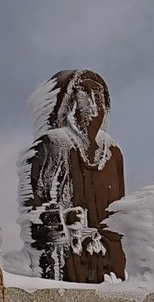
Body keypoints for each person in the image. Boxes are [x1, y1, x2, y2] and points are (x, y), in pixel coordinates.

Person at [23, 69, 127, 282]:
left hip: (107, 259)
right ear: (68, 102)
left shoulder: (113, 151)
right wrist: (64, 219)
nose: (93, 104)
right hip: (68, 257)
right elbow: (33, 210)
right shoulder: (53, 144)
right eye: (84, 94)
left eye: (98, 95)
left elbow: (119, 213)